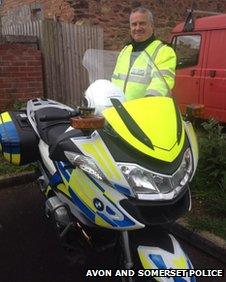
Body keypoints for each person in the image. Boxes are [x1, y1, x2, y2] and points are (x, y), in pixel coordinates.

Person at [112, 7, 176, 100]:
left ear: (152, 26)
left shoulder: (164, 51)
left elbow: (160, 85)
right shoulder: (125, 50)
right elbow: (115, 80)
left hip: (144, 111)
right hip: (119, 110)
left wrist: (148, 102)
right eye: (134, 24)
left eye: (142, 23)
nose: (137, 28)